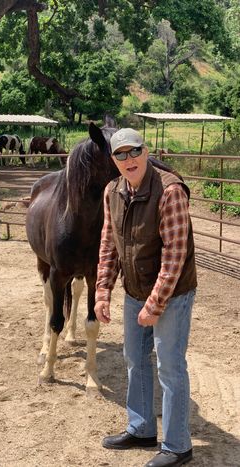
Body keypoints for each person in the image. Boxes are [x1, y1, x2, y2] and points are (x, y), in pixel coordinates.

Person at [94, 128, 197, 467]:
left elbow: (175, 255)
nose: (128, 159)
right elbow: (109, 244)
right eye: (120, 154)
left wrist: (155, 304)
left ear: (145, 150)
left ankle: (179, 446)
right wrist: (102, 290)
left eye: (134, 151)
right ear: (113, 160)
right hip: (136, 289)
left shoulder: (169, 191)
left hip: (172, 293)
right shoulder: (113, 191)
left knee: (170, 366)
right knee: (135, 359)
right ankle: (140, 429)